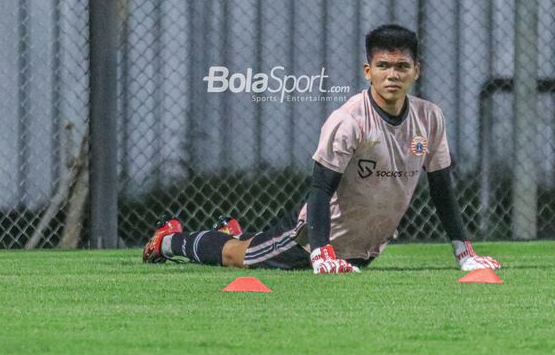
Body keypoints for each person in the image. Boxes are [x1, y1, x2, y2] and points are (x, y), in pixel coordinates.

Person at [143, 24, 501, 273]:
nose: (393, 74)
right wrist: (321, 252)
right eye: (383, 66)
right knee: (236, 257)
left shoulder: (430, 117)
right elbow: (319, 189)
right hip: (312, 242)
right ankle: (168, 241)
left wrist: (464, 253)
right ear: (368, 70)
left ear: (416, 71)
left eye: (402, 67)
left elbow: (441, 189)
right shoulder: (349, 120)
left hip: (360, 249)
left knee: (250, 245)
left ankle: (232, 232)